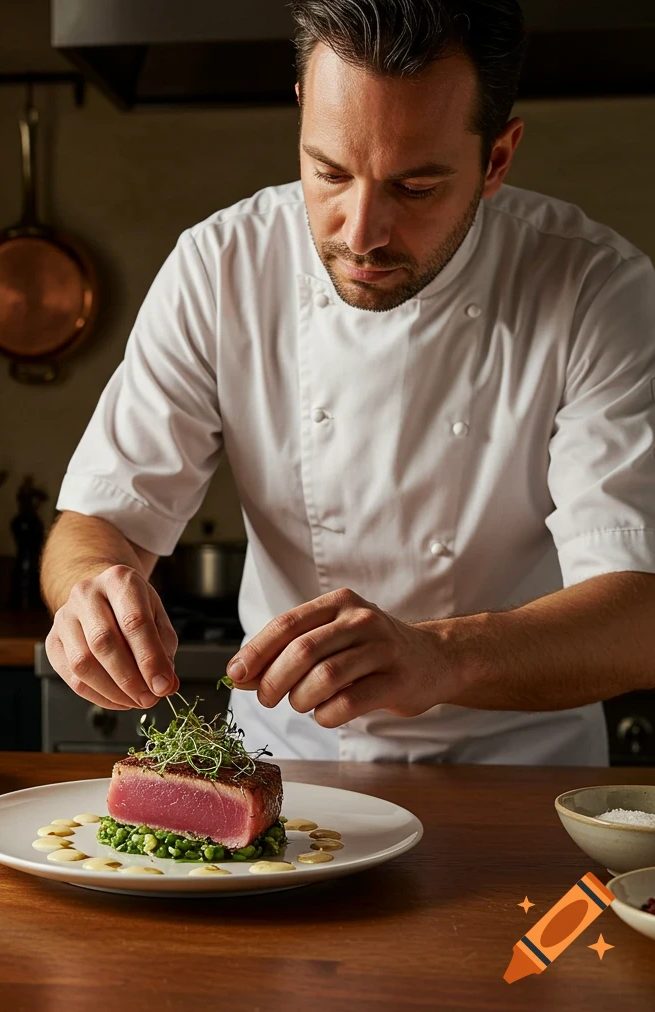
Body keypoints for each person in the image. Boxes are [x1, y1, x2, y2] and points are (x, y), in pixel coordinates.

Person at [40, 0, 655, 765]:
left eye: (416, 188)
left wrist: (444, 657)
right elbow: (100, 524)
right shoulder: (221, 266)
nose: (360, 233)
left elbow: (639, 618)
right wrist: (92, 593)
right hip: (285, 764)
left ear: (497, 159)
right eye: (329, 172)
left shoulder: (596, 288)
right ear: (303, 108)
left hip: (519, 777)